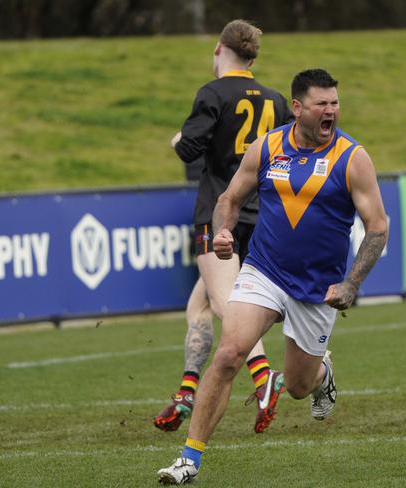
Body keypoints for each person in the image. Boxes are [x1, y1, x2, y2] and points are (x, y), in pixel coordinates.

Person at [156, 68, 388, 484]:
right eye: (322, 103)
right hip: (264, 270)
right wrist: (224, 231)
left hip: (317, 287)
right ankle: (189, 459)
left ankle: (322, 376)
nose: (331, 110)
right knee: (229, 354)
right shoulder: (267, 147)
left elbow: (378, 226)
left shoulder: (353, 158)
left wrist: (352, 283)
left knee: (298, 387)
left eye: (335, 102)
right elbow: (229, 198)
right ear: (298, 108)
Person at [153, 19, 294, 435]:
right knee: (199, 307)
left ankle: (265, 375)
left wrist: (181, 139)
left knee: (227, 308)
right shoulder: (274, 99)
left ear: (219, 49)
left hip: (220, 218)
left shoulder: (212, 93)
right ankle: (186, 389)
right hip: (261, 216)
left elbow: (189, 150)